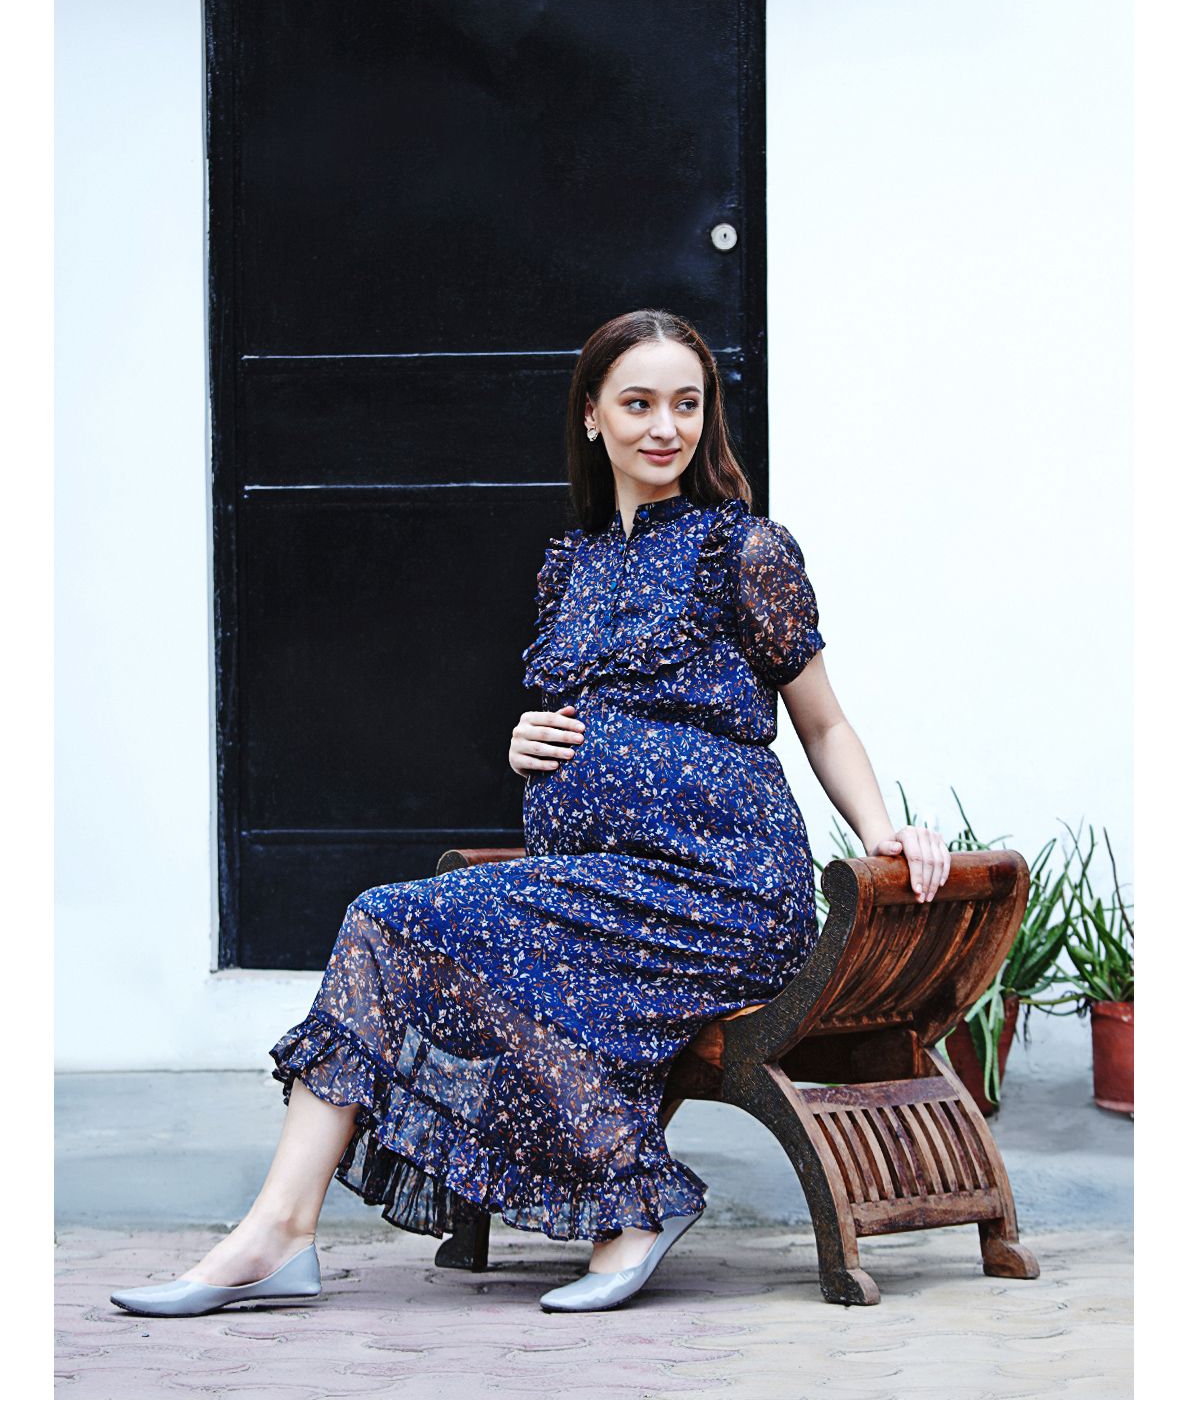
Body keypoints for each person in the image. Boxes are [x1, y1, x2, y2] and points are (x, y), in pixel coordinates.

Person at [109, 308, 950, 1318]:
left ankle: (301, 1233)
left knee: (386, 917)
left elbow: (824, 722)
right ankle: (288, 1232)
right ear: (592, 415)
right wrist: (527, 742)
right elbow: (585, 715)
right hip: (599, 889)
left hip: (720, 890)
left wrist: (879, 832)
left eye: (686, 404)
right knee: (401, 931)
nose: (665, 427)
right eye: (638, 403)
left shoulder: (745, 549)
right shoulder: (572, 567)